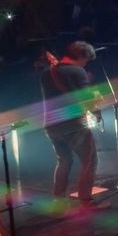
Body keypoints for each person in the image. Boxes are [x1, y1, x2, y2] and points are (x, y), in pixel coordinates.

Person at [39, 41, 102, 209]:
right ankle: (85, 202)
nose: (86, 64)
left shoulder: (47, 73)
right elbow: (86, 101)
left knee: (64, 161)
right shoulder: (77, 71)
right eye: (86, 60)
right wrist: (96, 100)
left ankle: (58, 200)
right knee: (90, 162)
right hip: (73, 125)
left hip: (51, 124)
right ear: (82, 56)